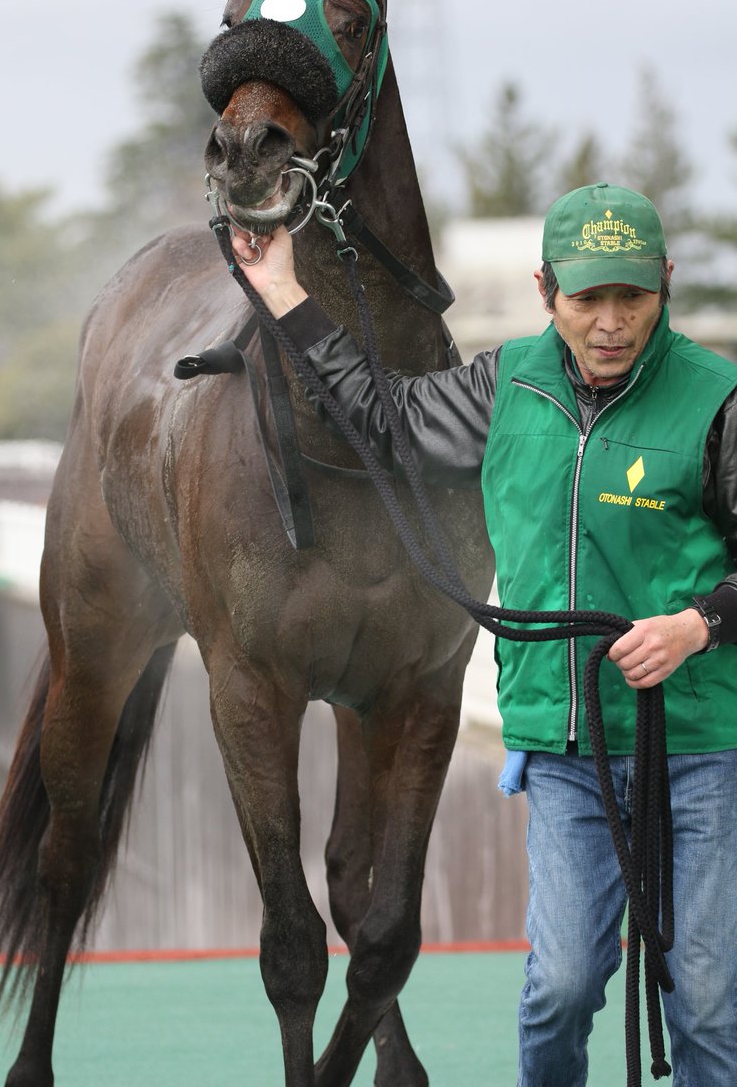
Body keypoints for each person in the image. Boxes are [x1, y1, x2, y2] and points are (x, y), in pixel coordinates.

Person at [231, 182, 737, 1085]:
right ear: (548, 292)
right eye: (588, 299)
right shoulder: (504, 386)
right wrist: (280, 292)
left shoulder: (719, 399)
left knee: (702, 999)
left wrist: (700, 625)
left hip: (698, 753)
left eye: (633, 296)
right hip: (565, 747)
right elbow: (378, 416)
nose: (612, 321)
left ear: (666, 284)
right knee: (564, 986)